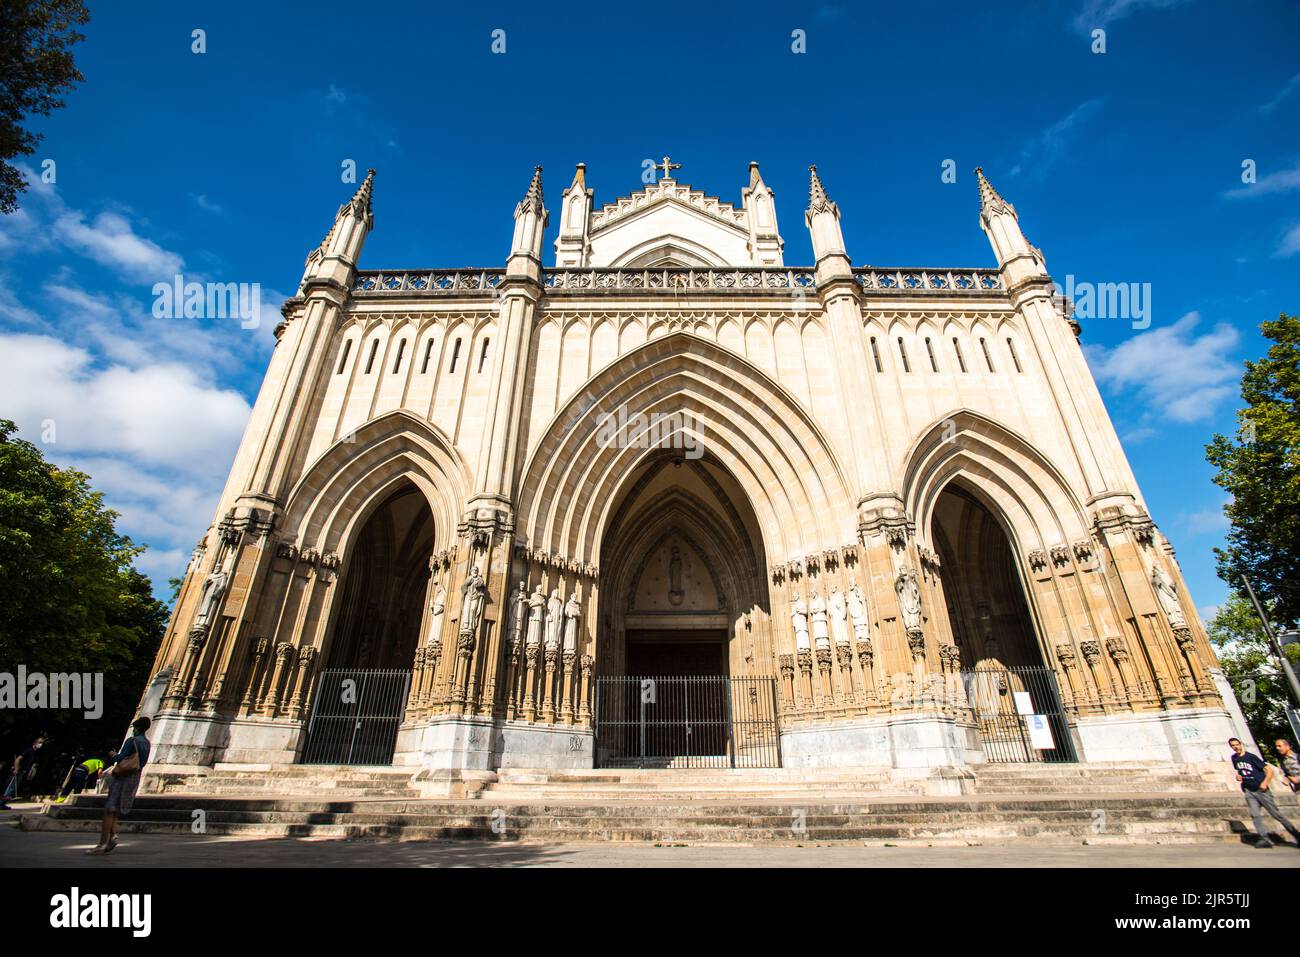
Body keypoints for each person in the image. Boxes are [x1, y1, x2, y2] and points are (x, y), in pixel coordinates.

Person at [88, 718, 151, 855]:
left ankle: (102, 843)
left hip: (123, 776)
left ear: (137, 728)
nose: (133, 730)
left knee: (109, 809)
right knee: (115, 808)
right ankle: (113, 836)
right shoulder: (147, 743)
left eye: (134, 727)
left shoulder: (132, 741)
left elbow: (120, 758)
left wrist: (112, 754)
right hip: (134, 777)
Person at [1228, 737, 1300, 849]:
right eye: (1233, 745)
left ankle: (1297, 835)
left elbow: (1269, 770)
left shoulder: (1251, 757)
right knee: (1255, 815)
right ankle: (1264, 839)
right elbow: (1240, 771)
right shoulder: (1234, 758)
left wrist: (1265, 783)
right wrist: (1239, 776)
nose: (1236, 747)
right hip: (1249, 790)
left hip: (1261, 790)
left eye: (1237, 744)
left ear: (1240, 744)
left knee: (1276, 815)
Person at [1, 736, 45, 809]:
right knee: (10, 787)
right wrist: (16, 769)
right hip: (17, 771)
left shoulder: (34, 752)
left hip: (21, 772)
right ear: (35, 742)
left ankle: (3, 803)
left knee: (13, 787)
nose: (40, 744)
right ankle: (1, 803)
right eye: (39, 742)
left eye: (42, 743)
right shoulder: (29, 750)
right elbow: (17, 759)